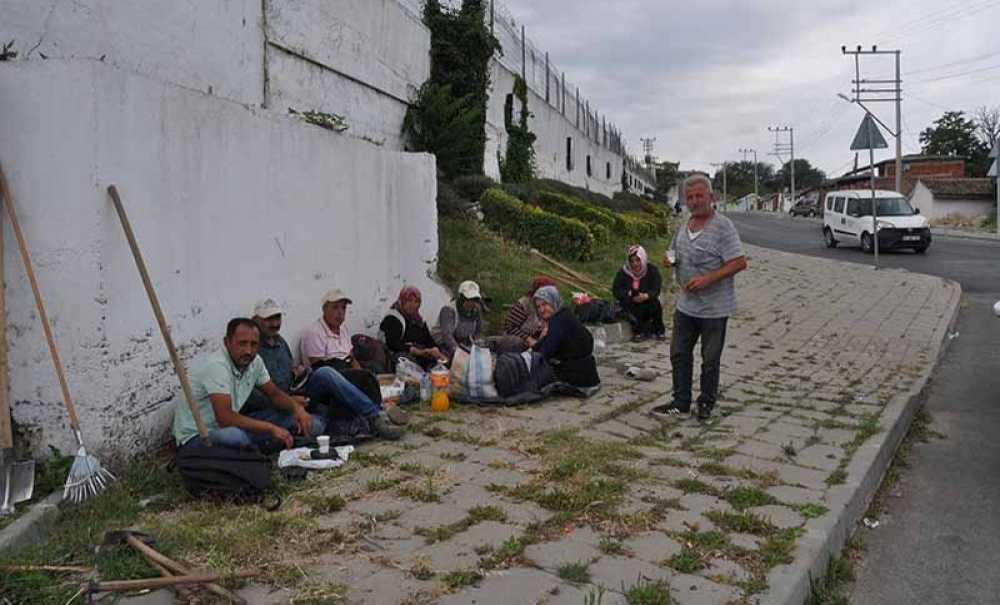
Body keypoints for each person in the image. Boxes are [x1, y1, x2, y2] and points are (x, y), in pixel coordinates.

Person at [652, 174, 747, 421]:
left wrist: (708, 279)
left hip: (715, 308)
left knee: (710, 359)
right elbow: (673, 251)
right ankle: (680, 401)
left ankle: (706, 402)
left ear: (711, 197)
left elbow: (739, 262)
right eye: (690, 197)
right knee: (679, 353)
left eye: (699, 196)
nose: (694, 201)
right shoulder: (686, 225)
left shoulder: (723, 226)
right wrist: (669, 260)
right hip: (686, 305)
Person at [248, 299, 403, 441]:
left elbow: (293, 373)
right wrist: (290, 402)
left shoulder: (280, 342)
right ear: (256, 320)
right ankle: (352, 422)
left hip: (297, 394)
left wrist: (298, 373)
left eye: (277, 318)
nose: (275, 323)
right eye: (269, 319)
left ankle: (375, 415)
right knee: (317, 424)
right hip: (277, 406)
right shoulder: (252, 350)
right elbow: (256, 397)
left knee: (326, 373)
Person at [173, 318, 326, 451]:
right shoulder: (217, 365)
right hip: (199, 436)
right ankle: (265, 445)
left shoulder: (255, 362)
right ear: (227, 342)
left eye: (254, 344)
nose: (248, 350)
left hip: (232, 424)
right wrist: (270, 428)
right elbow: (224, 418)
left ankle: (265, 444)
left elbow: (274, 394)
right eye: (242, 343)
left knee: (312, 424)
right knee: (236, 437)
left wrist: (297, 409)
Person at [531, 285, 600, 390]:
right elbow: (547, 341)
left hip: (577, 375)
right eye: (538, 307)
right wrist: (534, 349)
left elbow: (547, 350)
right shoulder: (565, 314)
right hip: (588, 372)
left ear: (553, 301)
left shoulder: (558, 321)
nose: (541, 310)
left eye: (545, 304)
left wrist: (529, 362)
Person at [380, 286, 447, 369]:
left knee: (443, 356)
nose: (412, 305)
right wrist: (418, 351)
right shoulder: (393, 318)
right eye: (409, 301)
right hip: (393, 355)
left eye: (416, 302)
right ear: (402, 301)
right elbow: (392, 344)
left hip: (417, 353)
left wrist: (436, 350)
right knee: (403, 359)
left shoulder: (418, 320)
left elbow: (428, 340)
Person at [612, 245, 665, 341]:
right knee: (634, 308)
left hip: (648, 300)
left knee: (655, 304)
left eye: (638, 260)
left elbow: (656, 288)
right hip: (631, 301)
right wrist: (629, 295)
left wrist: (646, 295)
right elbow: (616, 289)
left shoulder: (652, 270)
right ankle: (639, 332)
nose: (635, 264)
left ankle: (659, 331)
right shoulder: (624, 272)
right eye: (632, 261)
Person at [436, 280, 487, 359]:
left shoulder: (476, 311)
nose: (472, 303)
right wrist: (459, 353)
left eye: (475, 299)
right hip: (441, 343)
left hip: (461, 343)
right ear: (461, 298)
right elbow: (447, 335)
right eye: (469, 299)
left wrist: (478, 345)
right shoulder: (448, 310)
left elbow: (478, 332)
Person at [503, 276, 555, 349]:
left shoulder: (549, 306)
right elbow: (509, 327)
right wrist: (529, 339)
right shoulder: (524, 304)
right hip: (515, 342)